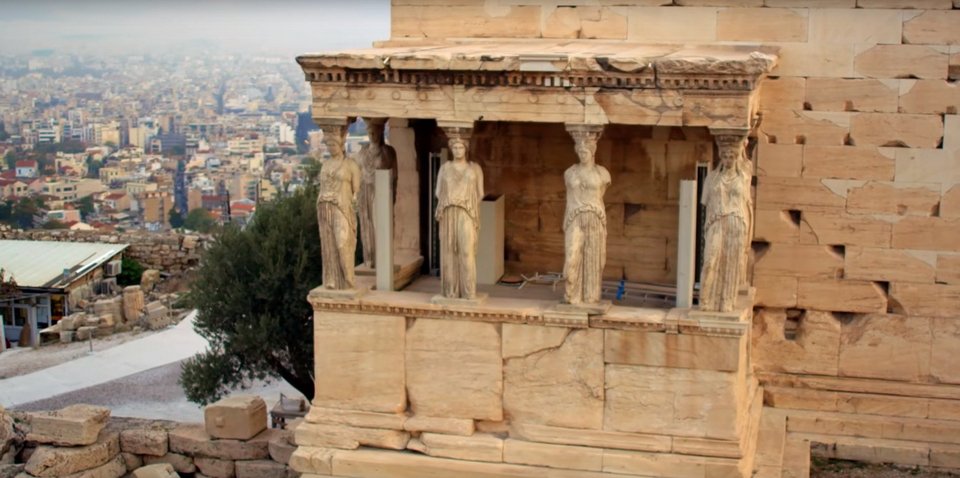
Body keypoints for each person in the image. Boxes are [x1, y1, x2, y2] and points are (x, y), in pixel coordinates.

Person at [699, 137, 751, 312]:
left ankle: (726, 301)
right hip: (716, 222)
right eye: (725, 156)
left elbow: (747, 164)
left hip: (736, 222)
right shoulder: (712, 178)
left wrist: (743, 143)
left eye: (731, 156)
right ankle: (706, 300)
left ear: (736, 157)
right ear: (720, 157)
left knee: (731, 264)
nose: (728, 159)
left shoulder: (743, 177)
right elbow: (705, 201)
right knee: (710, 260)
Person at [563, 128, 611, 305]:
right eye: (580, 151)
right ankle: (572, 295)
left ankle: (590, 297)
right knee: (572, 257)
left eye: (586, 151)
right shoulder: (570, 173)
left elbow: (602, 191)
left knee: (593, 259)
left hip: (595, 217)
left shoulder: (602, 173)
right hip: (574, 217)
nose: (582, 154)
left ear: (592, 152)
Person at [435, 130, 484, 300]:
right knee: (449, 253)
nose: (457, 150)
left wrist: (467, 203)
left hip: (467, 212)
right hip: (449, 213)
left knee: (466, 251)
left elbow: (480, 193)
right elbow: (437, 192)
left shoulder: (474, 168)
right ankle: (451, 291)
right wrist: (450, 200)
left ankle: (469, 292)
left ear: (466, 148)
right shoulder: (445, 168)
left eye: (460, 147)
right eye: (454, 147)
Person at [316, 127, 361, 290]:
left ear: (341, 145)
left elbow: (357, 190)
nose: (330, 148)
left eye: (333, 145)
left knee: (342, 243)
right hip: (324, 206)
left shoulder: (351, 165)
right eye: (328, 145)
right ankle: (332, 280)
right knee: (329, 245)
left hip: (343, 207)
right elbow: (322, 187)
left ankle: (348, 278)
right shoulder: (325, 164)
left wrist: (353, 203)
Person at [356, 118, 398, 268]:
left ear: (381, 132)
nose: (372, 135)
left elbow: (394, 175)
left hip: (381, 191)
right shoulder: (362, 152)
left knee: (379, 223)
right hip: (365, 191)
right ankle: (370, 257)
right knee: (367, 223)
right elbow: (358, 174)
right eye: (370, 132)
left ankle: (383, 256)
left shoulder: (388, 152)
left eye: (375, 131)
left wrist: (391, 195)